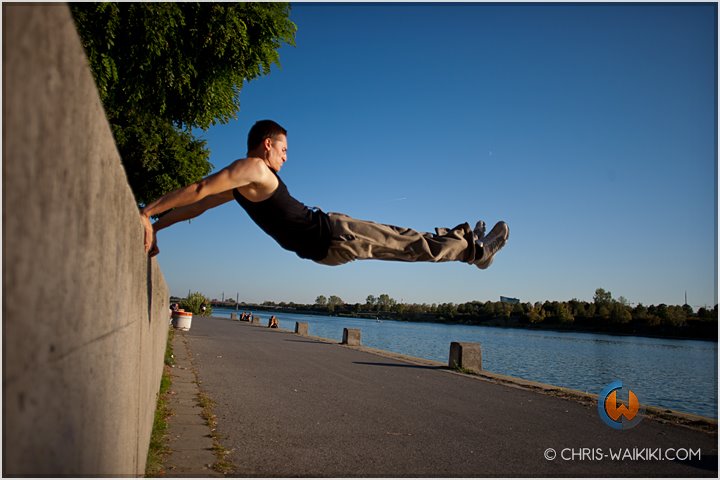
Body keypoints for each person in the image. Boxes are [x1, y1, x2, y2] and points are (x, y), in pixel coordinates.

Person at [140, 120, 509, 269]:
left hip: (324, 246)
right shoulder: (253, 169)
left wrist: (158, 227)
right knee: (407, 242)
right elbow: (200, 191)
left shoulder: (242, 188)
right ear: (266, 145)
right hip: (332, 233)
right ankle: (474, 248)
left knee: (404, 244)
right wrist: (148, 213)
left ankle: (469, 243)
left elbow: (196, 209)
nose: (285, 156)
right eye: (283, 149)